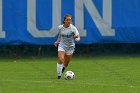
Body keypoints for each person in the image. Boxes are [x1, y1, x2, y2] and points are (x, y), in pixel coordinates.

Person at [54, 14, 80, 79]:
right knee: (61, 59)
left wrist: (77, 39)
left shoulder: (73, 28)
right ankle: (59, 76)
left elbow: (78, 36)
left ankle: (62, 70)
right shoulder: (60, 27)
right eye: (67, 20)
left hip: (70, 47)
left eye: (70, 20)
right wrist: (57, 41)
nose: (69, 21)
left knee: (66, 63)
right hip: (62, 46)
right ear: (64, 21)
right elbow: (60, 34)